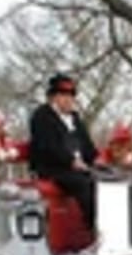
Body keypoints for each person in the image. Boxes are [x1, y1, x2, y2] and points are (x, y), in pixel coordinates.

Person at [29, 73, 98, 230]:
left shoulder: (75, 118)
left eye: (71, 96)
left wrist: (95, 160)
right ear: (53, 97)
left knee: (107, 182)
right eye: (63, 95)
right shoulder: (41, 117)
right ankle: (91, 228)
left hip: (79, 167)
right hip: (54, 168)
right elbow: (47, 146)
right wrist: (71, 161)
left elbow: (87, 145)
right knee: (84, 184)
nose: (68, 100)